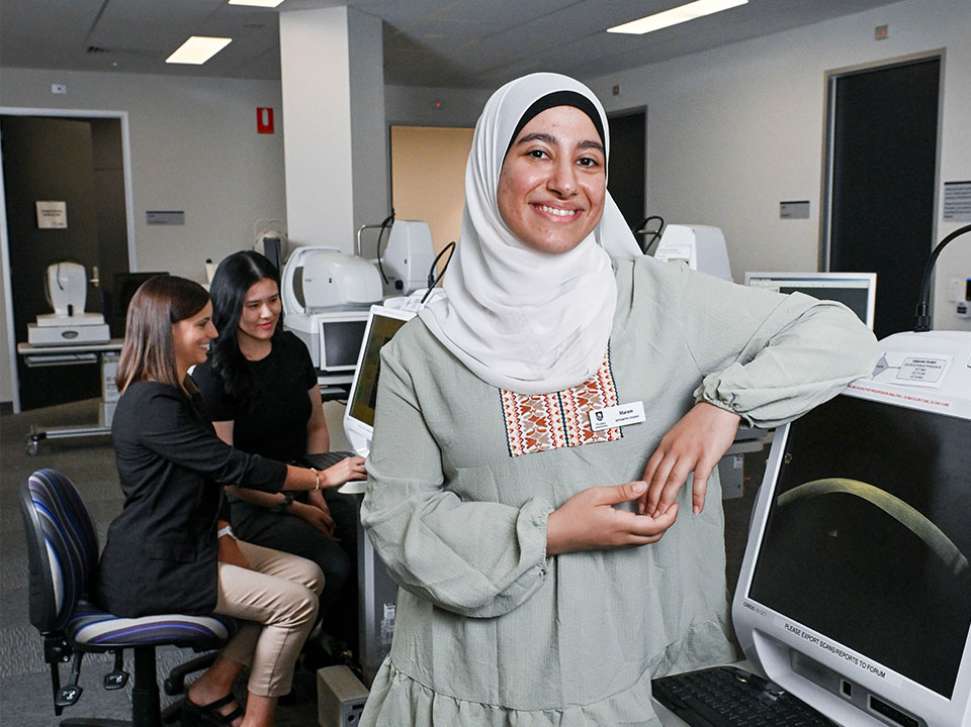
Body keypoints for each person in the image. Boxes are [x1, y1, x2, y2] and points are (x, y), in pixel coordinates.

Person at [357, 73, 880, 725]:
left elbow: (840, 333)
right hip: (482, 682)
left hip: (642, 671)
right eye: (537, 152)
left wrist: (725, 404)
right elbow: (396, 516)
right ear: (491, 165)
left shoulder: (665, 301)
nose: (565, 183)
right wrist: (549, 530)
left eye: (587, 160)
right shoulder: (422, 351)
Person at [94, 275, 349, 727]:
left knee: (308, 576)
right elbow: (231, 467)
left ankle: (212, 686)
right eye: (202, 324)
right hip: (156, 566)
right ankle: (257, 720)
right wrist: (319, 477)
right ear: (167, 330)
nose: (214, 333)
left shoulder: (177, 391)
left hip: (187, 543)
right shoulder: (152, 405)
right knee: (295, 605)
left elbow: (204, 481)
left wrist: (225, 532)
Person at [192, 251, 366, 658]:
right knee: (333, 563)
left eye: (273, 300)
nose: (267, 313)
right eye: (253, 305)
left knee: (369, 535)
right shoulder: (214, 372)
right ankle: (295, 650)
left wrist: (317, 489)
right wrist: (296, 504)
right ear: (231, 307)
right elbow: (230, 474)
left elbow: (317, 425)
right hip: (249, 501)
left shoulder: (292, 350)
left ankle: (343, 647)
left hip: (304, 482)